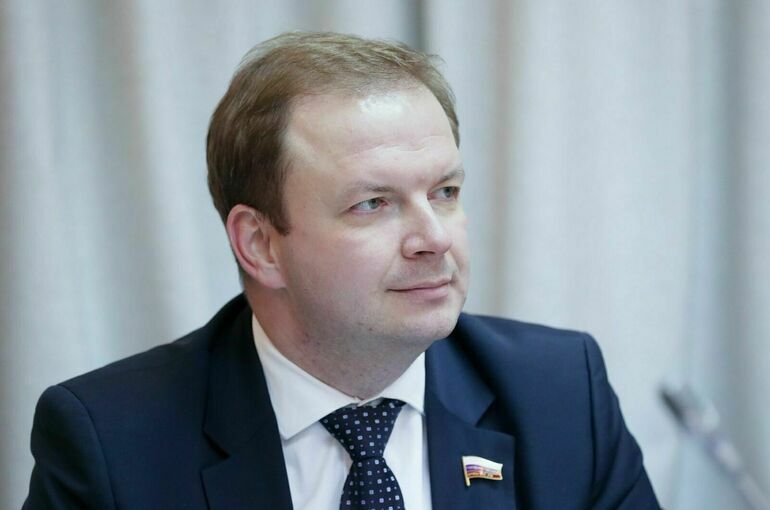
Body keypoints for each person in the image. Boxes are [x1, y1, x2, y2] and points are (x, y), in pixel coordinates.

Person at [23, 32, 660, 510]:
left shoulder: (559, 395)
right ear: (260, 244)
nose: (435, 239)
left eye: (445, 192)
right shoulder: (111, 443)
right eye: (373, 204)